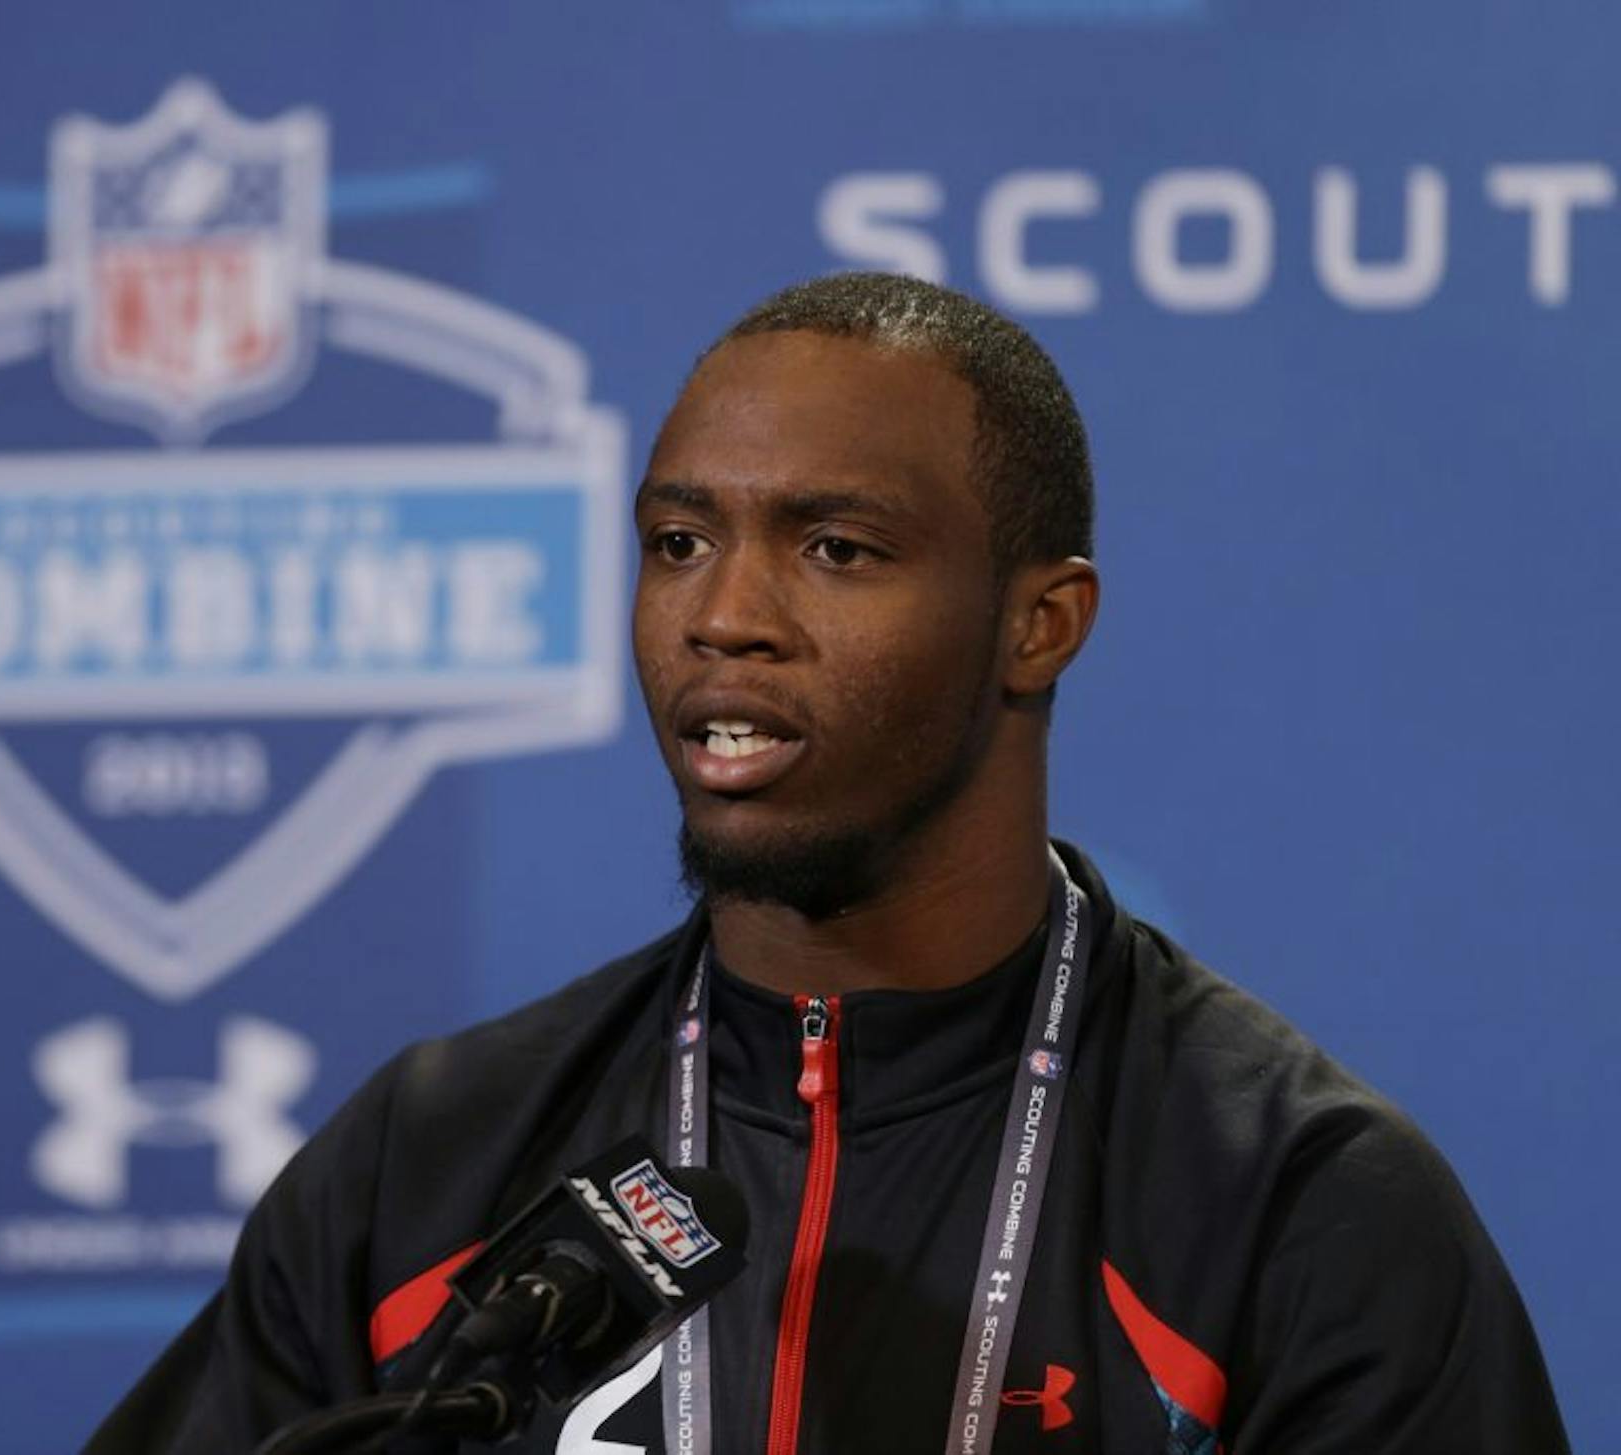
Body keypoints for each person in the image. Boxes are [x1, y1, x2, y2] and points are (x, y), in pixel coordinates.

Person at [85, 273, 1569, 1454]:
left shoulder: (1292, 1204)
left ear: (1038, 623)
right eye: (677, 542)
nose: (725, 616)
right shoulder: (430, 1163)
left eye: (836, 549)